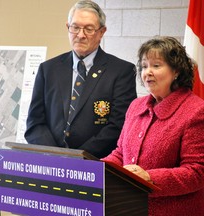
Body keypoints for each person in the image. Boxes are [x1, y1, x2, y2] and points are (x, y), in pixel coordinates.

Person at [102, 36, 204, 215]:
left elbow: (197, 173)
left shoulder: (196, 111)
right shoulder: (136, 106)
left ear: (176, 71)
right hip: (130, 207)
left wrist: (148, 177)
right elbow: (120, 153)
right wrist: (98, 169)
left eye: (156, 65)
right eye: (144, 66)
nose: (147, 72)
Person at [24, 0, 137, 158]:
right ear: (67, 28)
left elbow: (119, 126)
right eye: (75, 27)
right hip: (51, 164)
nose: (81, 35)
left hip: (97, 164)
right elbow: (35, 123)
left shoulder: (121, 71)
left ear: (101, 32)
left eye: (89, 29)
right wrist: (56, 155)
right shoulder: (48, 69)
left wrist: (77, 157)